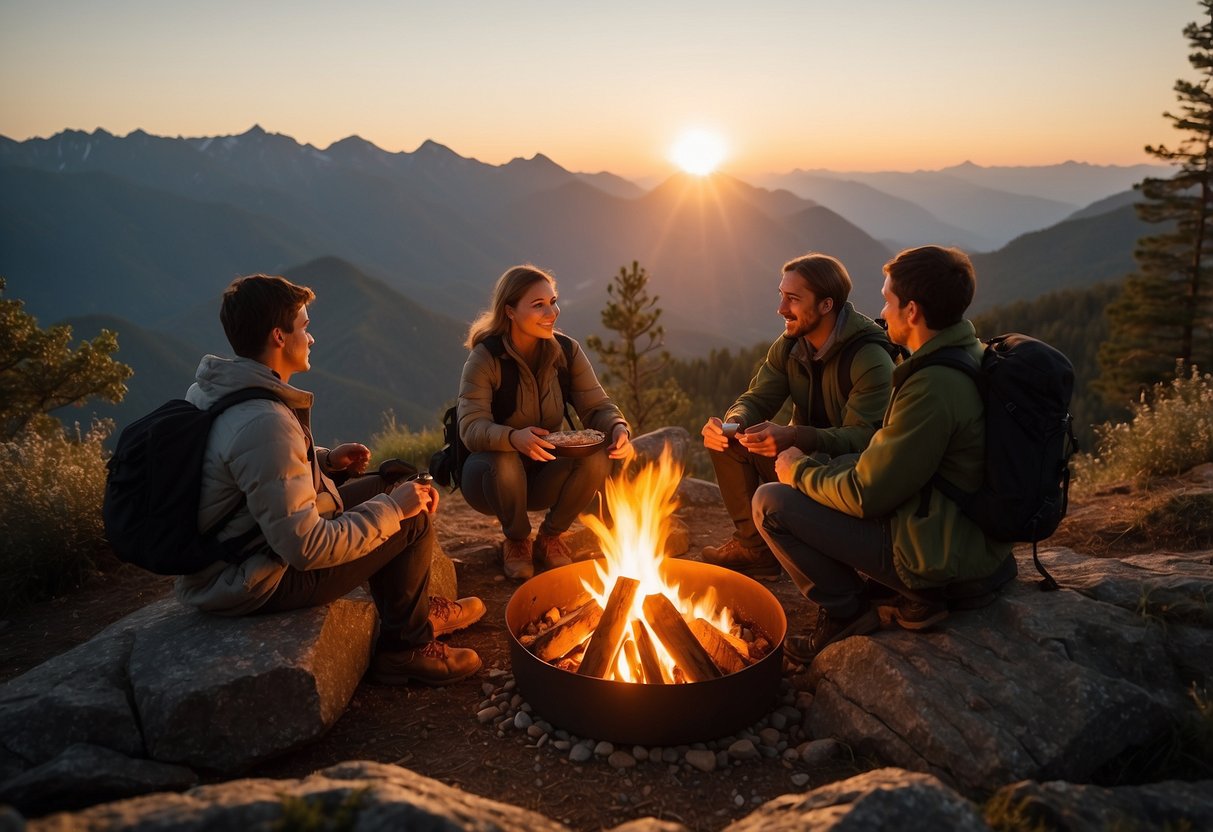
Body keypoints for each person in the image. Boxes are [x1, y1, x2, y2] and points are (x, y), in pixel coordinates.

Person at [175, 274, 484, 686]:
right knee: (410, 512)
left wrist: (326, 461)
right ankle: (405, 650)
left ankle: (417, 610)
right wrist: (394, 510)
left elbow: (249, 468)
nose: (312, 337)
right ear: (278, 337)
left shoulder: (219, 388)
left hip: (242, 549)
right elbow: (307, 548)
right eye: (304, 326)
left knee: (396, 481)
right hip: (254, 580)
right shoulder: (265, 423)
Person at [753, 245, 1014, 665]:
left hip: (937, 556)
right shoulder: (967, 354)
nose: (882, 310)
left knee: (771, 503)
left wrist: (797, 469)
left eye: (888, 300)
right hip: (961, 535)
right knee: (824, 469)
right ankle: (893, 590)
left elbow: (867, 493)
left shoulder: (931, 387)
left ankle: (849, 612)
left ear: (911, 311)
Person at [699, 252, 896, 578]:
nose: (781, 309)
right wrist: (733, 423)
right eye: (781, 296)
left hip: (851, 479)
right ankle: (754, 550)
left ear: (826, 305)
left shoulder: (869, 357)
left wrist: (793, 435)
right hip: (805, 459)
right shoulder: (791, 345)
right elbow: (757, 397)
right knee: (727, 443)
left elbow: (867, 439)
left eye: (792, 299)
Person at [458, 265, 632, 579]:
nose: (551, 312)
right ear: (509, 311)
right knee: (505, 460)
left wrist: (617, 426)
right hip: (488, 479)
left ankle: (551, 537)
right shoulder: (486, 358)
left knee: (598, 455)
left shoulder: (566, 351)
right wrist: (513, 438)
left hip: (544, 473)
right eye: (538, 305)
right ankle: (516, 541)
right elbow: (470, 428)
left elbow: (596, 406)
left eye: (553, 301)